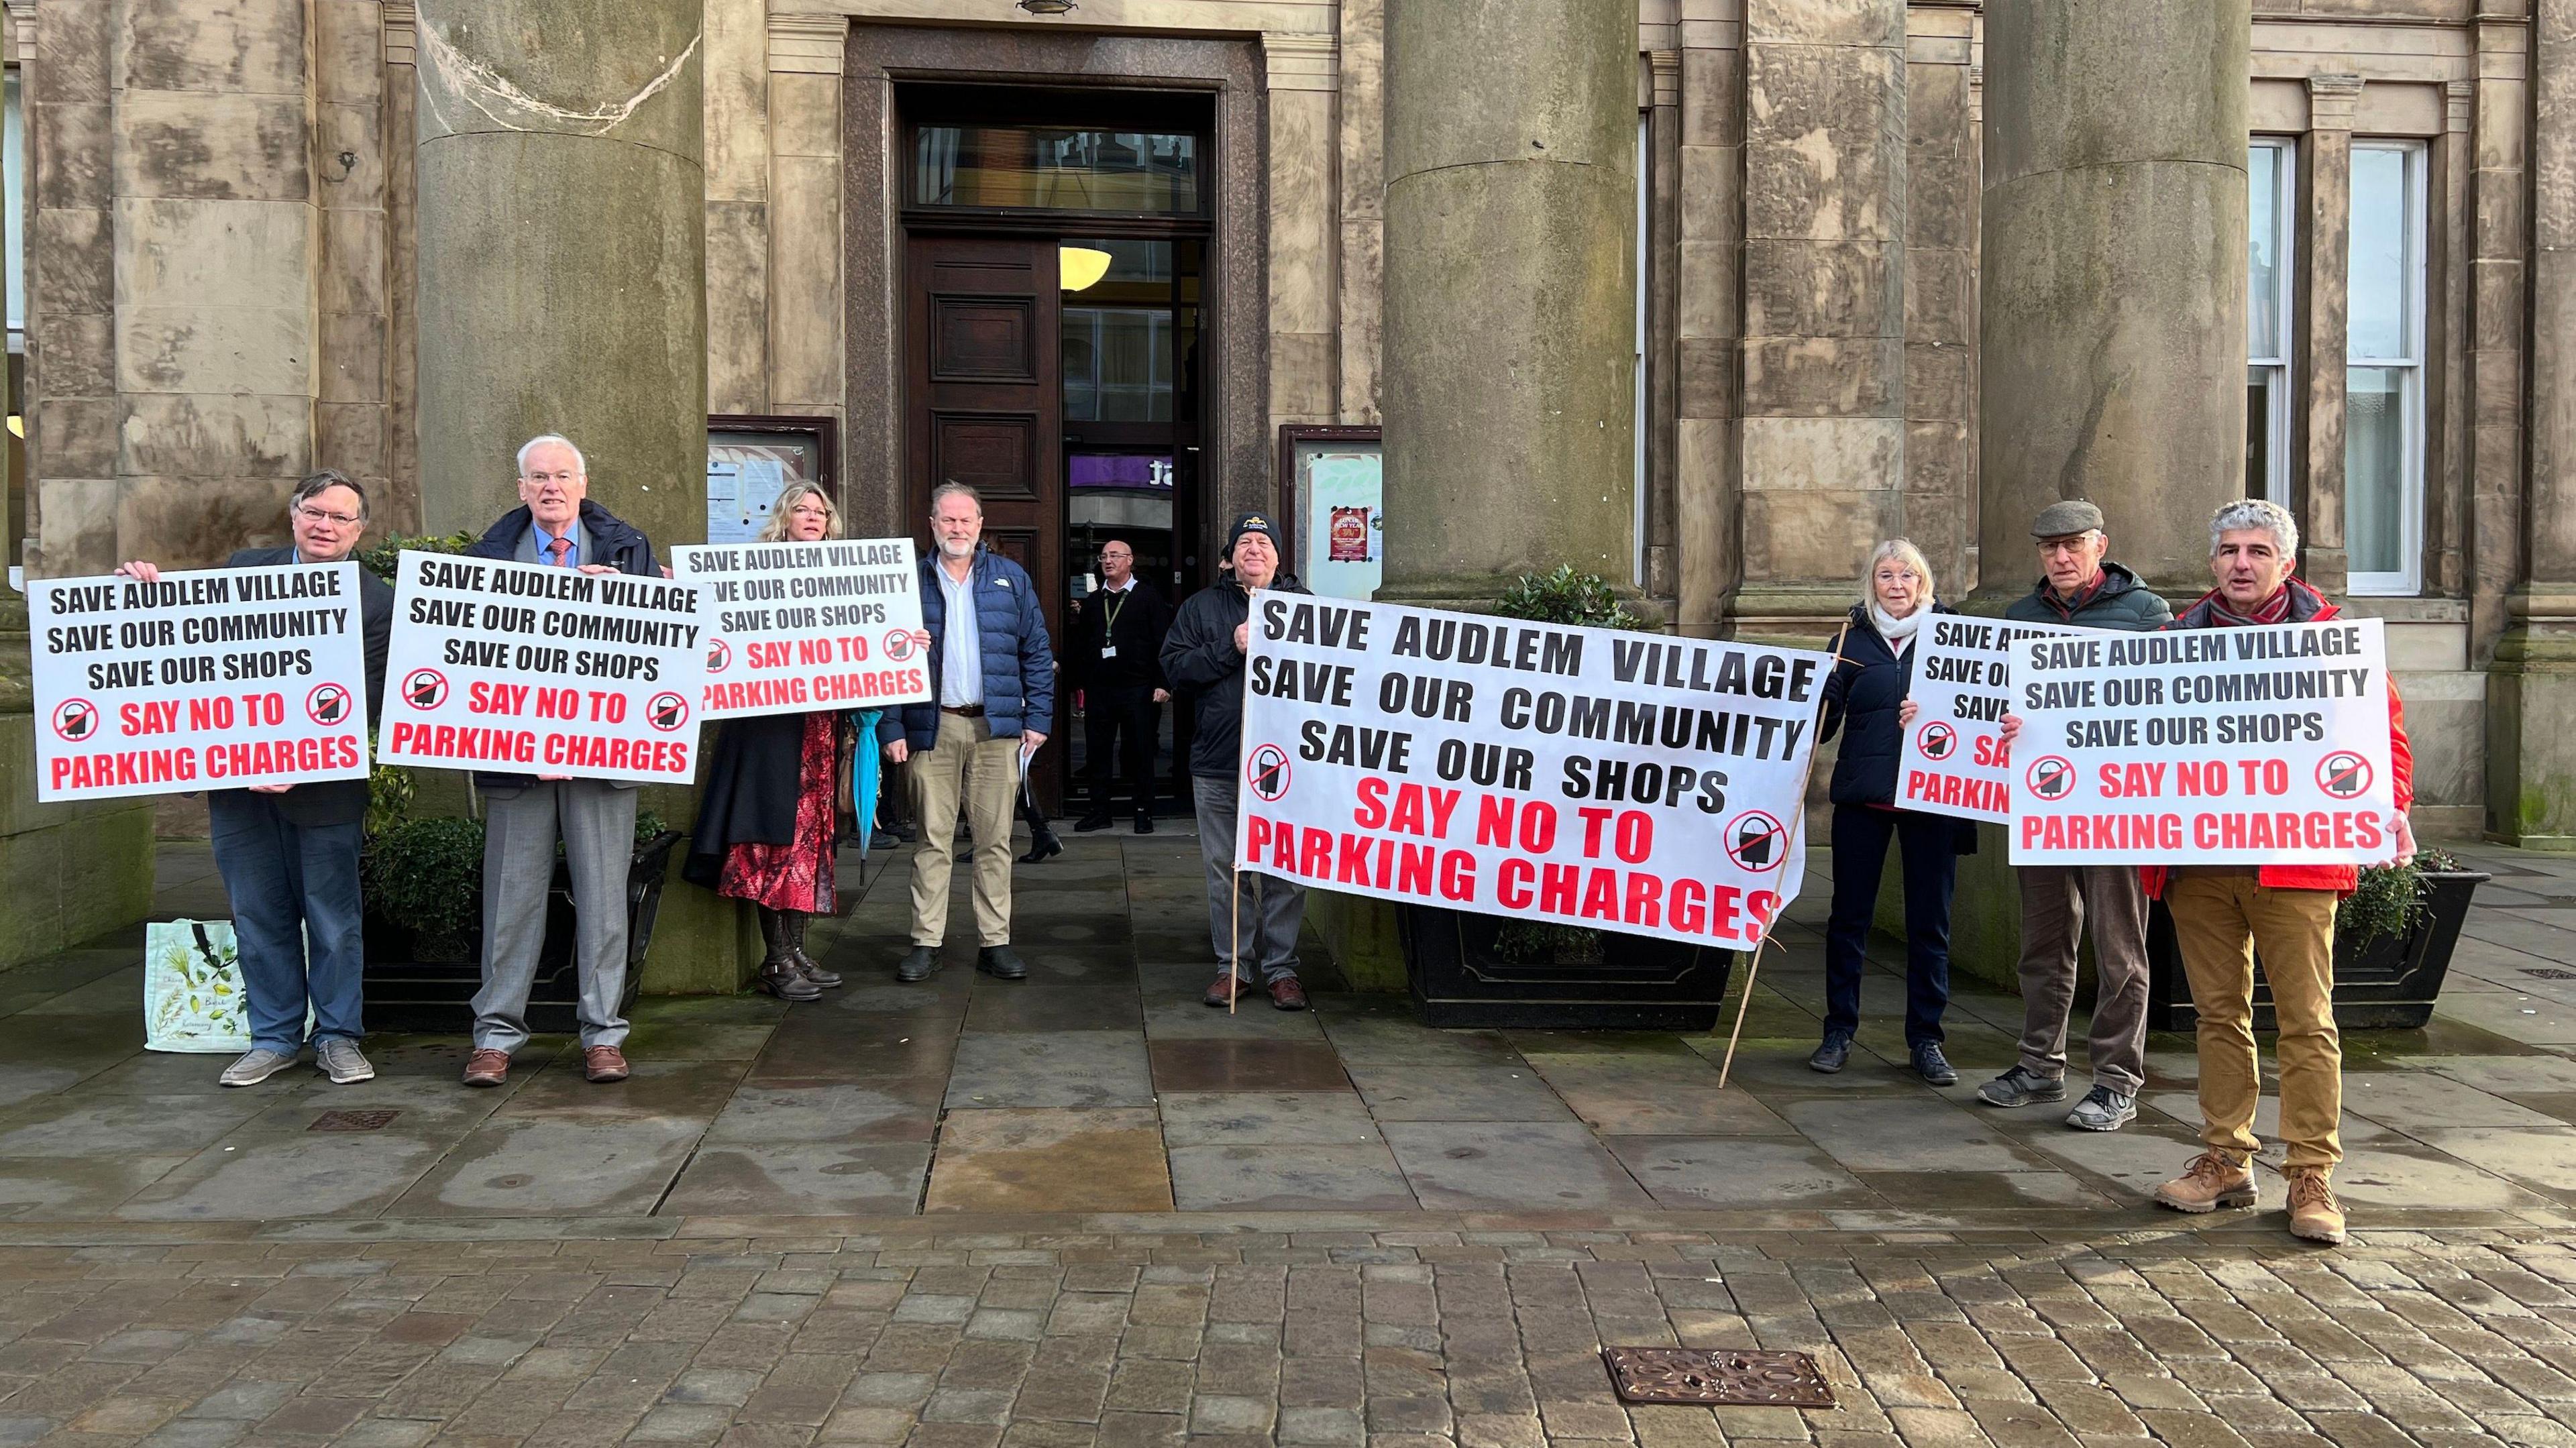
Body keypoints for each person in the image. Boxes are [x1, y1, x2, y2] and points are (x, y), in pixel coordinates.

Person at [2145, 498, 2413, 1245]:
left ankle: (2311, 1172)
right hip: (2198, 863)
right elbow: (2113, 737)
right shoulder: (2172, 642)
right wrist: (2031, 733)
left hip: (2296, 858)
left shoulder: (2333, 643)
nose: (2241, 563)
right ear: (2212, 562)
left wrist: (2390, 806)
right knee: (2218, 1015)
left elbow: (2384, 741)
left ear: (2287, 564)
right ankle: (2227, 1158)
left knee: (2306, 1019)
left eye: (2257, 551)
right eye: (2229, 549)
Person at [115, 471, 394, 1087]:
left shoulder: (375, 601)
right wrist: (142, 593)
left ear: (360, 530)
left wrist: (296, 760)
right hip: (240, 790)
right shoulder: (244, 569)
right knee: (256, 915)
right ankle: (272, 1038)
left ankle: (339, 1037)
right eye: (314, 511)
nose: (325, 525)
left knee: (333, 920)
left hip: (325, 791)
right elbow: (188, 642)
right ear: (294, 515)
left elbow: (369, 698)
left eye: (341, 518)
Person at [458, 435, 660, 1088]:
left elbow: (659, 652)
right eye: (538, 476)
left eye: (562, 476)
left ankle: (603, 1035)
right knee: (511, 900)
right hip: (516, 760)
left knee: (605, 899)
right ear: (521, 488)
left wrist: (633, 594)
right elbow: (463, 659)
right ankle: (494, 1036)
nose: (551, 486)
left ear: (583, 483)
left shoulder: (628, 549)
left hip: (603, 759)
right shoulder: (484, 557)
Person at [1976, 500, 2174, 1131]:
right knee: (2043, 942)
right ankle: (2040, 1065)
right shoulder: (2021, 616)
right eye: (2048, 548)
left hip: (2115, 806)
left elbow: (2169, 701)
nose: (2060, 558)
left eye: (2073, 546)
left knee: (2120, 947)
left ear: (2100, 547)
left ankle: (2117, 1080)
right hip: (2044, 802)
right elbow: (1994, 703)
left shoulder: (2146, 614)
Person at [682, 481, 855, 1003]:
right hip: (768, 729)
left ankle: (796, 949)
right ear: (784, 517)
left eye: (820, 510)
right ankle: (775, 959)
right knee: (771, 841)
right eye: (801, 509)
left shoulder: (850, 576)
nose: (812, 517)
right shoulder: (755, 570)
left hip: (818, 726)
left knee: (808, 840)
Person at [1811, 539, 1976, 1084]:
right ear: (1873, 582)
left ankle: (1927, 1041)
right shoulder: (1849, 641)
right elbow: (1818, 735)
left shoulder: (1955, 638)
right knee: (1849, 918)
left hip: (1934, 798)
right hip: (1865, 796)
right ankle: (1838, 1030)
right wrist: (1823, 695)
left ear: (1924, 581)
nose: (1898, 584)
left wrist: (1939, 711)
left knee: (1930, 923)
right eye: (1887, 574)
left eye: (1908, 574)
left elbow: (1984, 715)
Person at [884, 483, 1055, 985]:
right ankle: (926, 942)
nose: (957, 528)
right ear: (932, 524)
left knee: (995, 841)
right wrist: (892, 725)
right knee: (931, 841)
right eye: (948, 520)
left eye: (966, 520)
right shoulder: (908, 582)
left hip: (995, 728)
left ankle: (995, 941)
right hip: (930, 726)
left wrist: (1038, 718)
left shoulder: (1011, 579)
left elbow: (1036, 652)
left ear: (980, 525)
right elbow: (885, 659)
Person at [1162, 514, 1312, 1011]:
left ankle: (1282, 969)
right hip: (1219, 763)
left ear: (1278, 555)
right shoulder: (1201, 608)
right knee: (1225, 870)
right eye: (1244, 542)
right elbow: (1176, 668)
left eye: (1263, 541)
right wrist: (1233, 646)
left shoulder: (1307, 609)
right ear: (1229, 557)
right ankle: (1234, 966)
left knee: (1285, 871)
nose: (1254, 549)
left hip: (1287, 767)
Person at [1068, 539, 1173, 834]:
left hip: (1138, 689)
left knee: (1139, 751)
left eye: (1115, 555)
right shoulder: (1093, 602)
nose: (1108, 561)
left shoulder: (1148, 598)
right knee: (1097, 753)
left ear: (1130, 561)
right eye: (1103, 557)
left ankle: (1143, 811)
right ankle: (1099, 810)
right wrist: (1078, 680)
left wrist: (1163, 683)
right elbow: (1083, 645)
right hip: (1101, 689)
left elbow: (1163, 643)